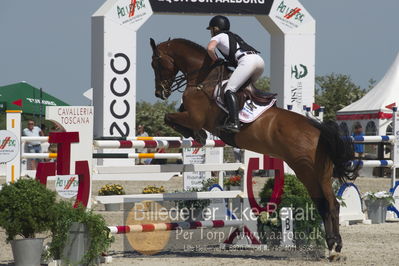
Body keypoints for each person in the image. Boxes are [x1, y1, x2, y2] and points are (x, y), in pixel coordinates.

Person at [206, 15, 265, 132]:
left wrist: (216, 60)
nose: (211, 32)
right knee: (245, 90)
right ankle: (248, 114)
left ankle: (234, 122)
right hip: (259, 61)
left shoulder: (218, 36)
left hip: (247, 62)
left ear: (216, 28)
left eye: (211, 29)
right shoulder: (233, 35)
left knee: (229, 90)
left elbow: (210, 49)